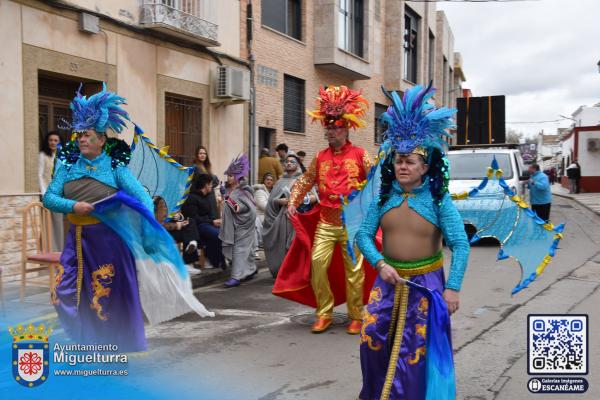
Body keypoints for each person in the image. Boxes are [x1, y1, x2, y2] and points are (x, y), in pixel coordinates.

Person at [43, 84, 213, 352]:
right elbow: (49, 198)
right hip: (76, 240)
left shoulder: (115, 167)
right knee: (63, 293)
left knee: (108, 297)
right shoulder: (66, 166)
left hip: (110, 241)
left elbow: (142, 197)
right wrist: (74, 206)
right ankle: (86, 337)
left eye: (87, 135)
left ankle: (109, 343)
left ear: (101, 140)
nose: (81, 139)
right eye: (79, 135)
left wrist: (148, 227)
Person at [356, 84, 470, 400]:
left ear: (424, 166)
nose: (402, 166)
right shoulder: (383, 199)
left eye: (409, 160)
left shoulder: (439, 200)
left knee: (415, 356)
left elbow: (460, 243)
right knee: (371, 341)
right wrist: (379, 263)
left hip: (427, 285)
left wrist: (453, 287)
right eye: (398, 160)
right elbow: (363, 235)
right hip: (388, 281)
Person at [273, 85, 373, 334]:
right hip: (326, 223)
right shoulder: (320, 157)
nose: (330, 131)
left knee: (355, 271)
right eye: (327, 126)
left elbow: (377, 184)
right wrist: (294, 201)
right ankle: (324, 312)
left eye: (334, 126)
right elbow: (305, 181)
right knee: (317, 264)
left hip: (353, 224)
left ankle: (356, 316)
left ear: (346, 128)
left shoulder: (361, 156)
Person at [263, 153, 315, 278]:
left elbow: (314, 197)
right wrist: (280, 201)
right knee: (283, 246)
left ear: (297, 164)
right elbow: (272, 200)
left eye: (292, 161)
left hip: (298, 218)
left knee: (295, 244)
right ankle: (284, 271)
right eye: (287, 161)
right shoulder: (280, 181)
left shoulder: (303, 179)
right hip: (283, 220)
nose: (289, 163)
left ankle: (298, 272)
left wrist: (300, 200)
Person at [219, 154, 258, 287]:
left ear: (237, 176)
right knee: (245, 250)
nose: (228, 178)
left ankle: (236, 277)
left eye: (230, 175)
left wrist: (226, 197)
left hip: (243, 225)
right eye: (228, 175)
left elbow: (240, 209)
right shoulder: (232, 190)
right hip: (235, 225)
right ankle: (250, 270)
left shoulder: (243, 191)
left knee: (239, 250)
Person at [182, 173, 224, 269]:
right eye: (210, 184)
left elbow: (210, 214)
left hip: (207, 224)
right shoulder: (192, 197)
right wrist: (212, 222)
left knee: (227, 230)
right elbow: (193, 218)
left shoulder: (206, 197)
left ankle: (218, 259)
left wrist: (216, 220)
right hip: (197, 226)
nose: (211, 186)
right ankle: (214, 260)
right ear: (206, 185)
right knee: (217, 234)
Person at [153, 196, 201, 274]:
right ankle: (188, 261)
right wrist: (177, 225)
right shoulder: (161, 202)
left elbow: (180, 215)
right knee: (188, 233)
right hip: (163, 234)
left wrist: (180, 217)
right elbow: (160, 225)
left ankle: (192, 243)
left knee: (190, 222)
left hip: (173, 229)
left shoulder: (174, 199)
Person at [39, 130, 64, 251]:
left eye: (55, 140)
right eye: (50, 140)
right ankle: (50, 251)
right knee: (49, 225)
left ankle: (60, 251)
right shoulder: (42, 156)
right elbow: (40, 175)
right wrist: (45, 194)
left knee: (60, 224)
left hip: (60, 196)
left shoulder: (62, 157)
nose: (53, 143)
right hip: (48, 195)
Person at [253, 172, 274, 249]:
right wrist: (276, 204)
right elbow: (264, 206)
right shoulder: (260, 192)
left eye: (271, 180)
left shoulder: (271, 192)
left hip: (267, 215)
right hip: (261, 216)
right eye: (267, 179)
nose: (269, 181)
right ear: (264, 181)